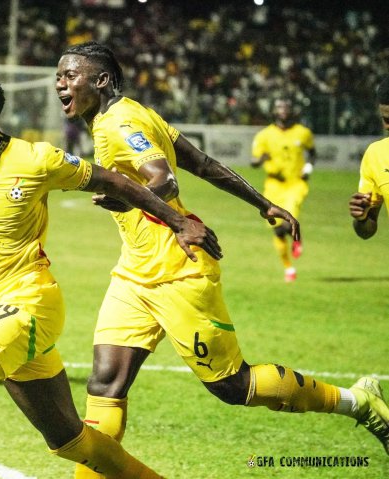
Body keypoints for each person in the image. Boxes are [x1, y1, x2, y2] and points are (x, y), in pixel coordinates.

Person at [0, 69, 220, 479]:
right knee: (69, 440)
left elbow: (117, 182)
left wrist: (178, 221)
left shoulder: (36, 160)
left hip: (31, 304)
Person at [54, 41, 389, 478]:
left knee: (234, 386)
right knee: (105, 383)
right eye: (58, 76)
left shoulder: (120, 122)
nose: (60, 84)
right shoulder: (134, 113)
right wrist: (263, 203)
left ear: (100, 80)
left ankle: (357, 402)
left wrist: (129, 199)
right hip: (135, 272)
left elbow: (165, 179)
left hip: (177, 269)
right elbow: (202, 163)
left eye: (70, 76)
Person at [251, 98, 316, 282]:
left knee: (287, 223)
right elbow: (254, 161)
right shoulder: (264, 135)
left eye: (286, 106)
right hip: (273, 186)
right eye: (279, 106)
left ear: (292, 110)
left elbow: (312, 152)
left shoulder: (303, 132)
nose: (283, 110)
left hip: (296, 184)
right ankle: (288, 268)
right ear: (273, 110)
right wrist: (260, 160)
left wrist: (308, 167)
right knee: (277, 230)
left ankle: (296, 238)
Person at [349, 75, 389, 237]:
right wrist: (362, 218)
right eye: (385, 119)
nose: (386, 126)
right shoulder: (376, 154)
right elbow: (366, 231)